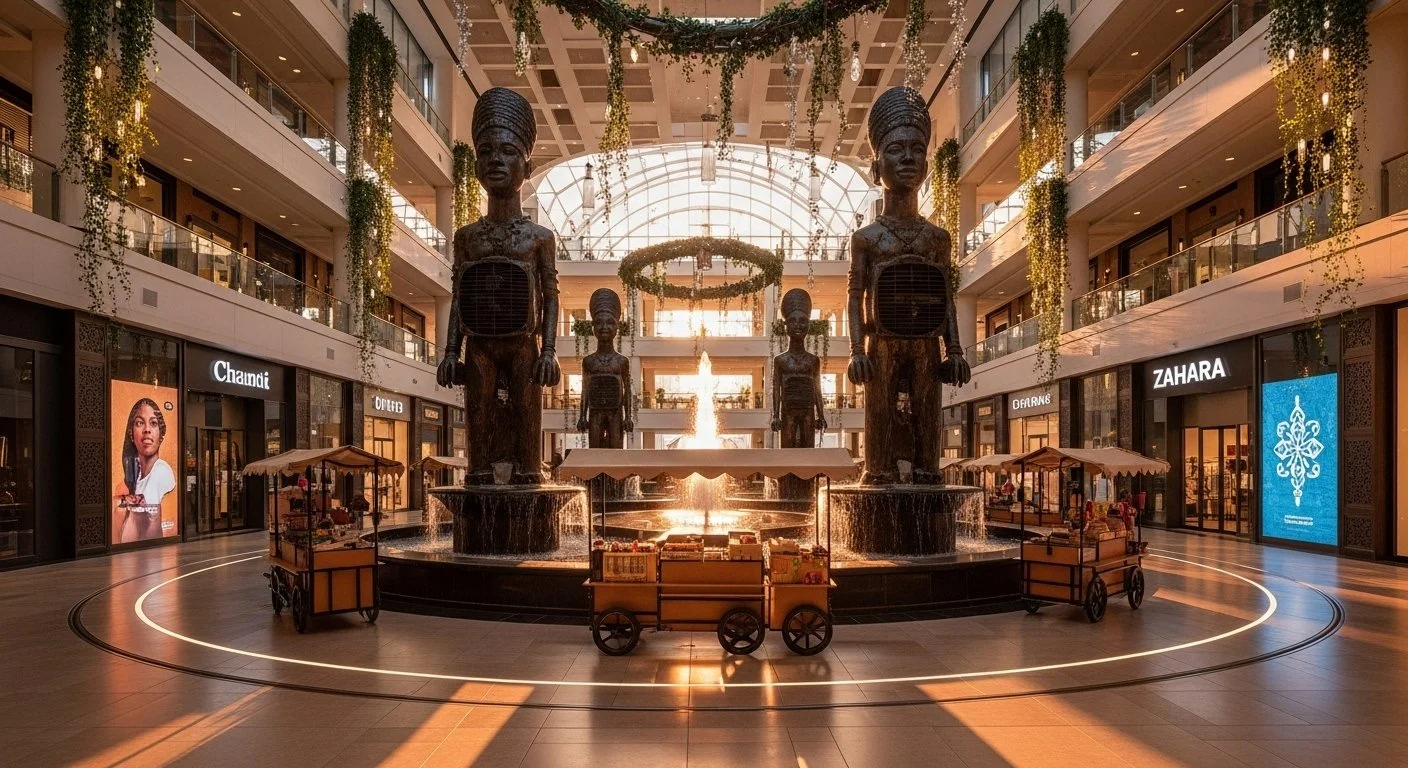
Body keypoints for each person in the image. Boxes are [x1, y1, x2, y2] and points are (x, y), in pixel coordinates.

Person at [114, 398, 175, 543]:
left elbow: (143, 510)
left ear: (161, 435)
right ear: (131, 434)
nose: (147, 429)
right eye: (140, 423)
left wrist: (122, 502)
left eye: (153, 423)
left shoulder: (162, 471)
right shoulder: (135, 475)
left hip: (149, 559)